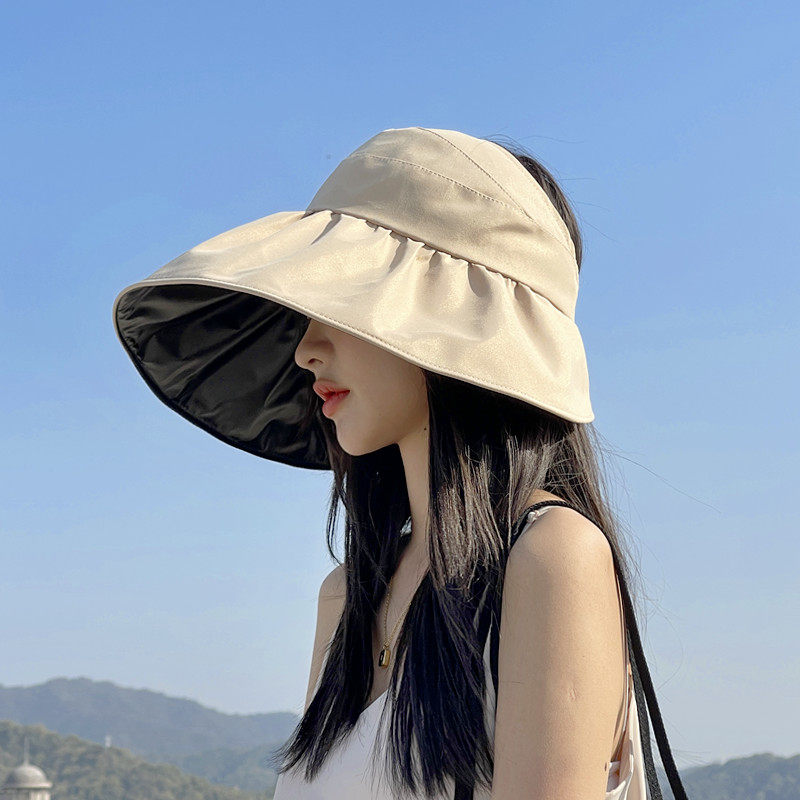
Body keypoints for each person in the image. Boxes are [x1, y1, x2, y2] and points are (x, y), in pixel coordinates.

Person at [112, 126, 690, 800]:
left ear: (450, 317)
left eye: (339, 301)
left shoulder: (550, 557)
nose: (305, 350)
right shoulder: (345, 596)